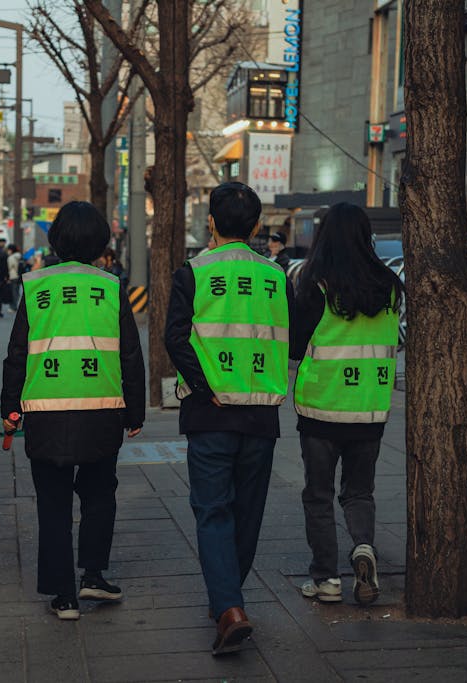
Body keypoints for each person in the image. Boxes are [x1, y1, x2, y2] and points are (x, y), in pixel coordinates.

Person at [1, 201, 146, 622]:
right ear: (100, 242)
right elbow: (129, 354)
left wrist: (11, 408)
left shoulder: (34, 286)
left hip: (46, 412)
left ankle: (64, 596)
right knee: (100, 494)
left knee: (53, 502)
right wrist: (134, 411)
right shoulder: (111, 286)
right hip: (101, 409)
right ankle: (94, 575)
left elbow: (17, 353)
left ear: (57, 239)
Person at [164, 182, 292, 656]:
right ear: (257, 226)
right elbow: (294, 339)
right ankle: (227, 601)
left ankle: (229, 607)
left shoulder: (194, 272)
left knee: (212, 510)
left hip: (210, 413)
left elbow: (174, 338)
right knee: (247, 512)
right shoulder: (277, 275)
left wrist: (204, 387)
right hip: (261, 411)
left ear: (212, 222)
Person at [289, 202, 404, 606]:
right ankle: (363, 548)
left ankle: (325, 579)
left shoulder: (314, 283)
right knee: (359, 492)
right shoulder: (390, 285)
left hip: (321, 407)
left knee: (318, 494)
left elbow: (295, 345)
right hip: (370, 407)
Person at [6, 244, 22, 312]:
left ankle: (13, 307)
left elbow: (9, 267)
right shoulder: (19, 256)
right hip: (18, 276)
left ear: (11, 250)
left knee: (13, 292)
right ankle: (15, 306)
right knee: (17, 292)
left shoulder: (11, 257)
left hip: (13, 276)